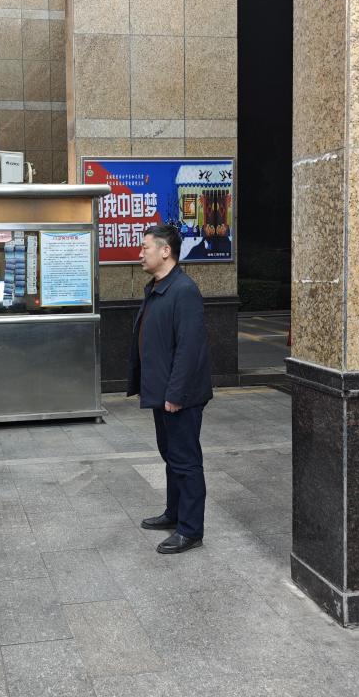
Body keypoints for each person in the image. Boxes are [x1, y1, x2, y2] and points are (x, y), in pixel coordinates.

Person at [129, 223, 212, 554]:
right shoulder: (158, 287)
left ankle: (190, 530)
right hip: (162, 392)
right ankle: (174, 513)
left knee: (186, 460)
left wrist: (175, 394)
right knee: (171, 455)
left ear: (166, 251)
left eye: (145, 248)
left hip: (180, 396)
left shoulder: (184, 290)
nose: (140, 254)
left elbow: (190, 349)